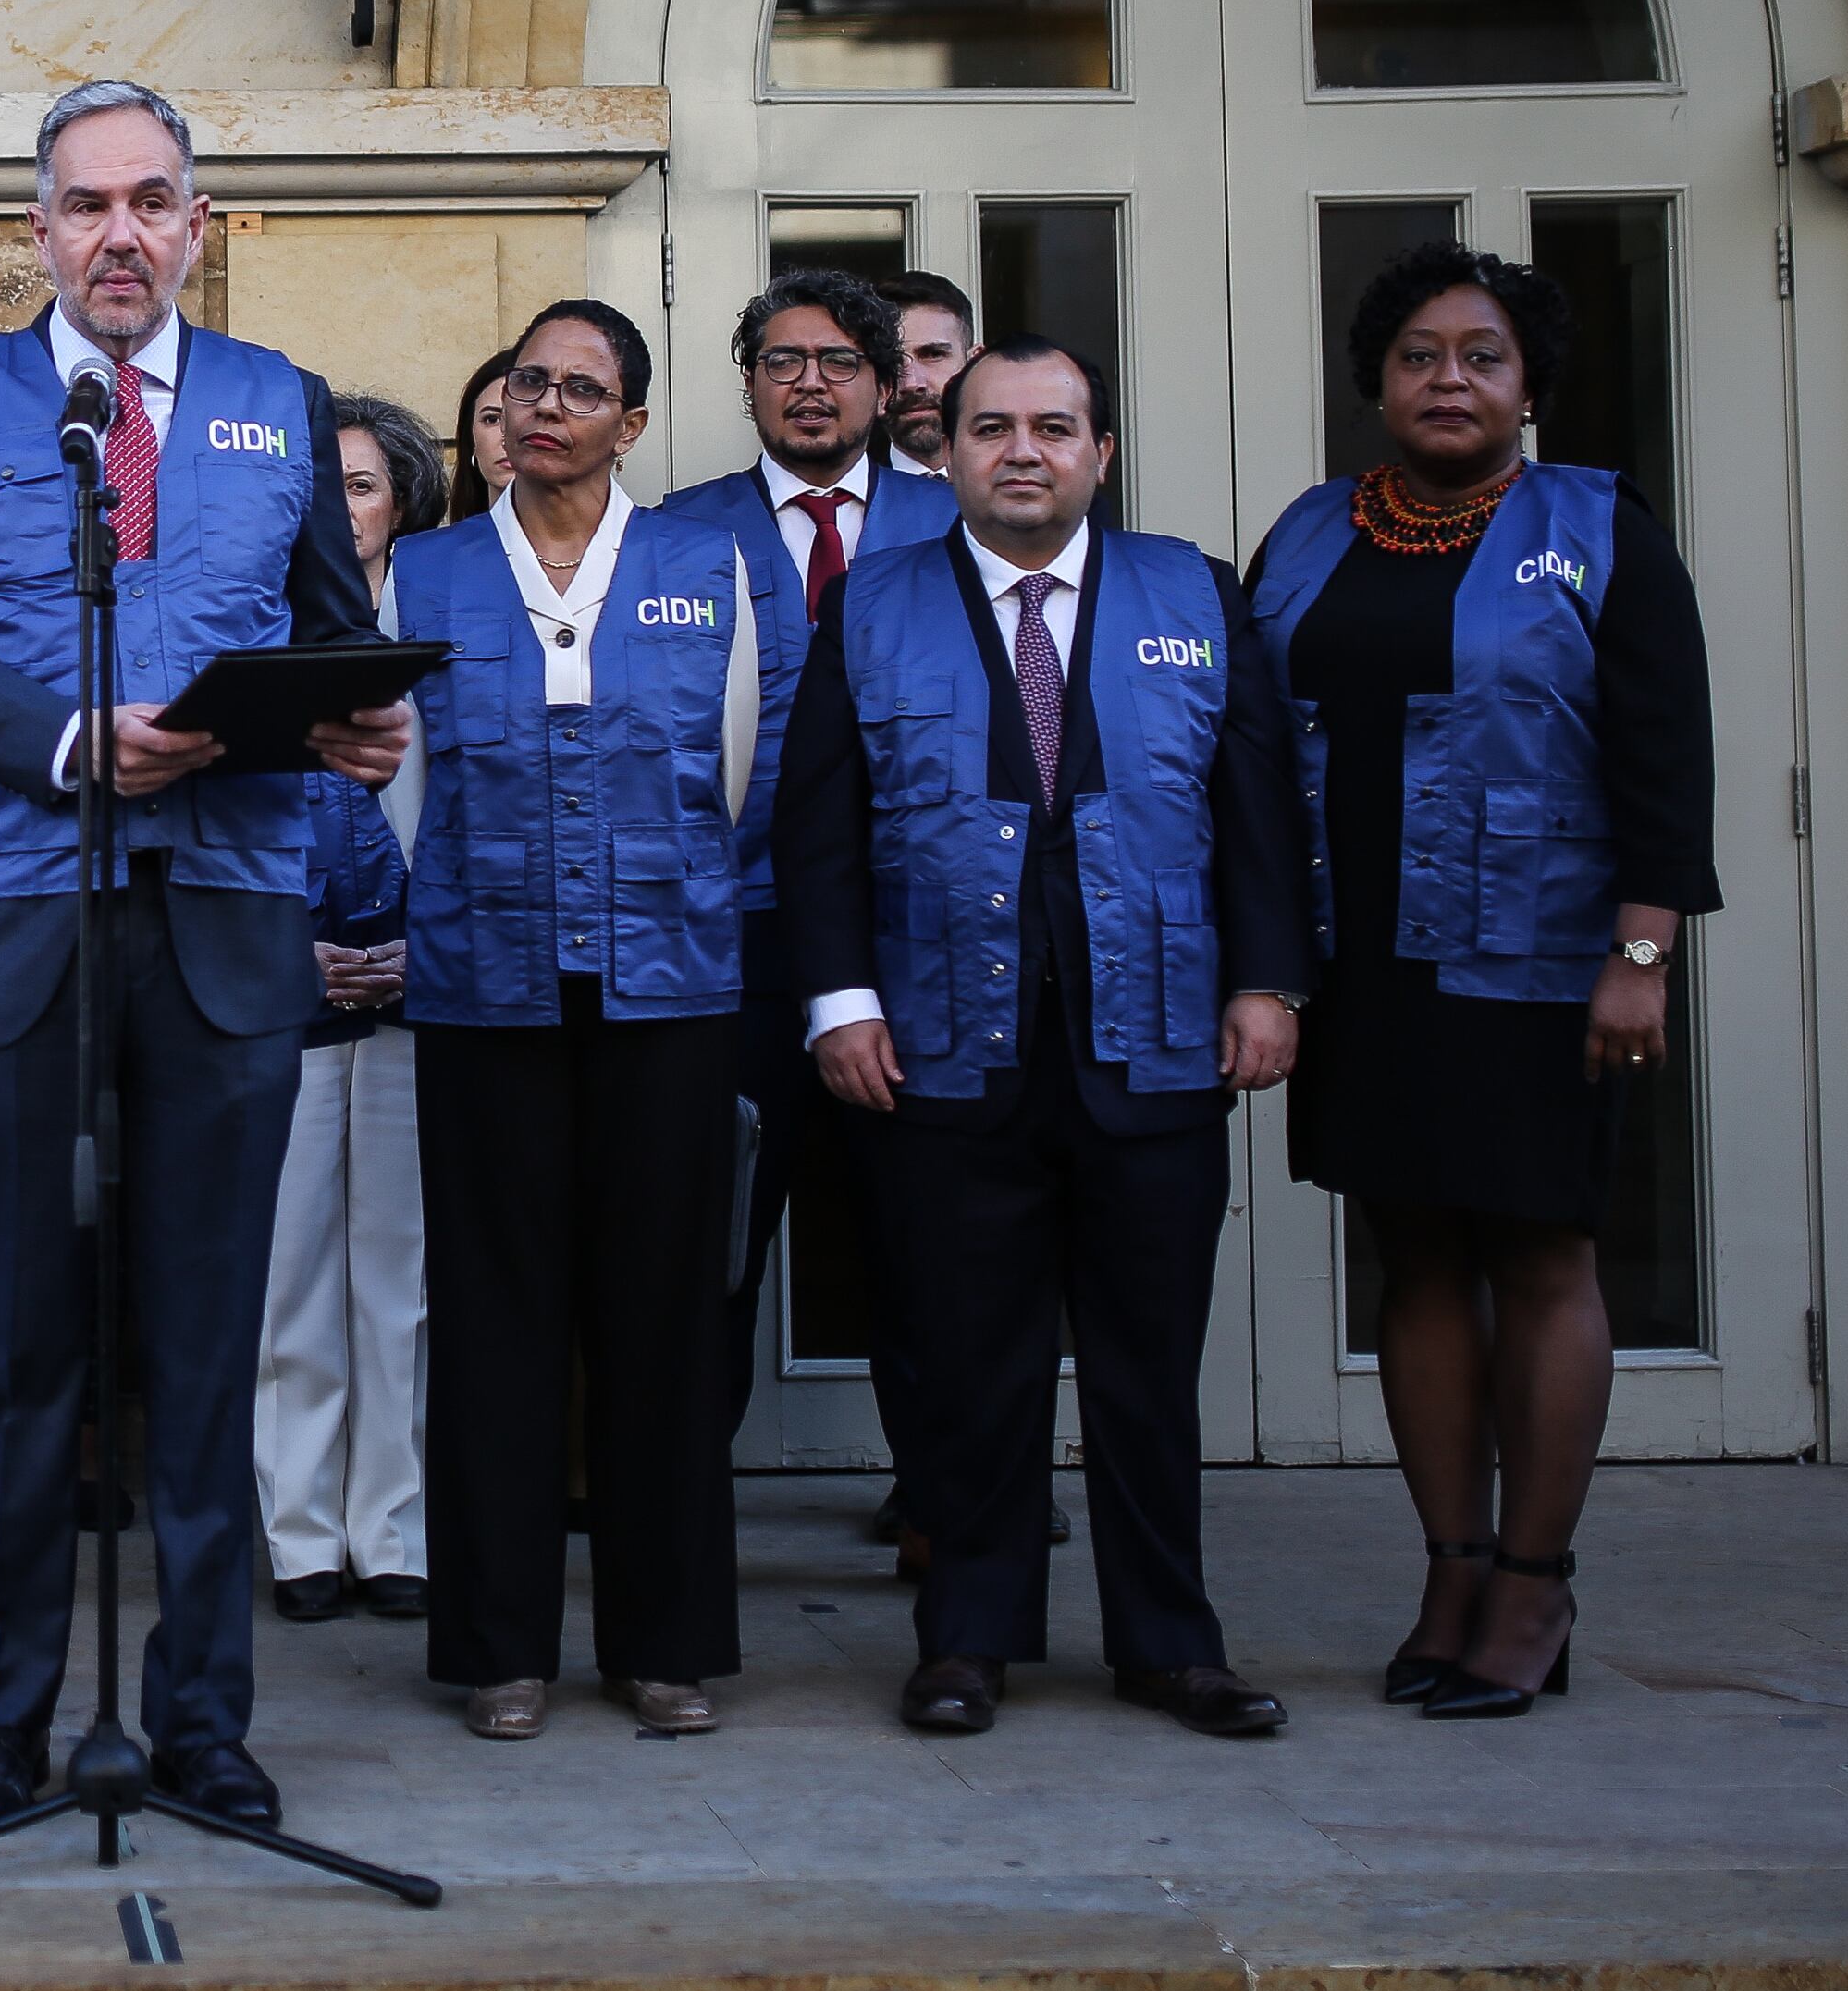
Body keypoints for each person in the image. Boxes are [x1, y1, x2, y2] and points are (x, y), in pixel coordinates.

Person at [0, 79, 410, 1834]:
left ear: (199, 221)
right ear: (37, 228)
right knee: (18, 1344)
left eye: (153, 201)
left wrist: (354, 719)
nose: (120, 234)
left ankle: (209, 1718)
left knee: (207, 1337)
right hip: (25, 915)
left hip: (232, 923)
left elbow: (332, 631)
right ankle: (8, 1713)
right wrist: (76, 735)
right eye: (87, 203)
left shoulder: (275, 402)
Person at [775, 336, 1312, 1740]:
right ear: (945, 453)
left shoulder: (1193, 590)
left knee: (1148, 1367)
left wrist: (1269, 983)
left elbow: (1259, 808)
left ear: (1101, 454)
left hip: (1155, 1043)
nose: (1024, 449)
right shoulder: (871, 600)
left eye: (1055, 427)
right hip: (947, 1046)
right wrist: (840, 999)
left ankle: (1169, 1642)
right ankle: (969, 1635)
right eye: (993, 426)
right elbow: (817, 820)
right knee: (971, 1365)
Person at [1251, 242, 1716, 1722]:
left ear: (1530, 385)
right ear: (1377, 381)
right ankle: (1449, 1566)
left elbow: (1666, 749)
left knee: (1541, 1254)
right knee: (1417, 1259)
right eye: (1420, 355)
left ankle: (1535, 1578)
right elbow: (1254, 752)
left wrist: (1641, 952)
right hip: (1365, 958)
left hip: (1536, 957)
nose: (1450, 378)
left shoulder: (1596, 527)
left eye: (1484, 354)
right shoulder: (1313, 532)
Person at [399, 301, 755, 1741]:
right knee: (496, 1316)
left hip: (665, 982)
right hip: (485, 985)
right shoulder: (420, 572)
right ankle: (500, 1643)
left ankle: (662, 1641)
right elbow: (398, 787)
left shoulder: (701, 563)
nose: (547, 407)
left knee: (662, 1314)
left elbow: (729, 772)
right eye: (527, 384)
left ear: (633, 422)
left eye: (581, 388)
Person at [659, 270, 957, 1555]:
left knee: (926, 1236)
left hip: (920, 940)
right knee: (711, 1235)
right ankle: (679, 1514)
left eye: (841, 360)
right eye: (784, 360)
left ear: (887, 386)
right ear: (748, 384)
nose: (812, 381)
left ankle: (951, 1499)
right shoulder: (679, 529)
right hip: (732, 942)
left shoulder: (958, 523)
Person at [256, 388, 448, 1626]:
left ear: (402, 501)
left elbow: (486, 817)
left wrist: (422, 951)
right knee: (290, 1274)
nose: (344, 507)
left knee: (401, 1274)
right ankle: (300, 1531)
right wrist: (289, 954)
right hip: (287, 990)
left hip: (422, 994)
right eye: (322, 486)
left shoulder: (449, 620)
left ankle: (395, 1527)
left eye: (364, 485)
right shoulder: (257, 632)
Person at [872, 269, 974, 478]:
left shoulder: (1017, 485)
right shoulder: (848, 499)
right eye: (891, 361)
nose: (911, 383)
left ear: (974, 363)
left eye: (933, 355)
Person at [446, 346, 517, 525]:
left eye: (523, 418)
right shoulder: (435, 551)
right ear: (472, 441)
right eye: (492, 419)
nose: (506, 436)